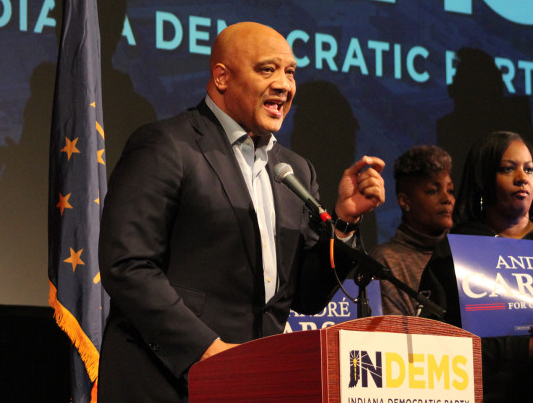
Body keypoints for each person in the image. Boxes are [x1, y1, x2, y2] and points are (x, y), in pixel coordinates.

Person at [97, 22, 386, 402]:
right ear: (222, 78)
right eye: (267, 70)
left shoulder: (295, 171)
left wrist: (345, 220)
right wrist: (207, 349)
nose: (284, 84)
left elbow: (306, 297)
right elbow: (127, 265)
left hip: (254, 384)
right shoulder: (166, 146)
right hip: (166, 382)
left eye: (290, 72)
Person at [418, 131, 533, 401]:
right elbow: (430, 341)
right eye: (507, 169)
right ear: (483, 180)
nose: (522, 178)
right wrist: (521, 349)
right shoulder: (455, 253)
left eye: (529, 169)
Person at [370, 145, 454, 316]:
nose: (447, 199)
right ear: (405, 202)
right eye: (433, 191)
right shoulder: (386, 261)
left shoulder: (462, 254)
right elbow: (393, 336)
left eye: (450, 190)